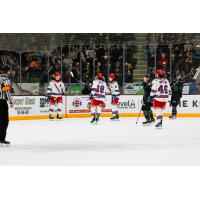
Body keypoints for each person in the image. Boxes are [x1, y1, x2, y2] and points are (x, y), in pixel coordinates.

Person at [0, 68, 14, 145]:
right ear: (7, 72)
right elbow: (7, 91)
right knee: (4, 121)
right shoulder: (6, 80)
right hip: (2, 102)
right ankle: (2, 139)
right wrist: (10, 101)